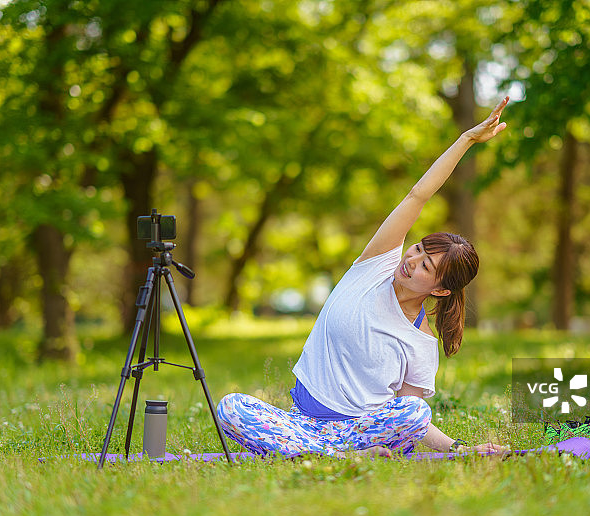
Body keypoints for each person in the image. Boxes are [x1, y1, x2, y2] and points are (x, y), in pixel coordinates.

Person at [217, 96, 511, 458]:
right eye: (418, 249)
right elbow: (418, 196)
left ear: (440, 289)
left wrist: (461, 449)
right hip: (302, 422)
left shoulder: (421, 342)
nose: (412, 261)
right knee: (231, 407)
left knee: (416, 412)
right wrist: (466, 139)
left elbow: (413, 420)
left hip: (360, 432)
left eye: (426, 266)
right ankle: (330, 455)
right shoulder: (375, 264)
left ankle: (322, 454)